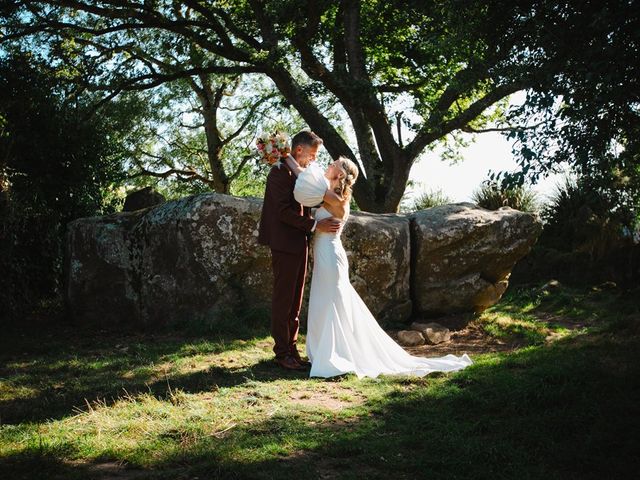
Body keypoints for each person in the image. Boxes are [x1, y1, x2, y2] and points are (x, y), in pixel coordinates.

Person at [286, 154, 474, 379]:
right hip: (325, 254)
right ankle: (327, 352)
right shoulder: (330, 193)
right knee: (325, 301)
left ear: (340, 174)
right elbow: (307, 182)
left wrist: (284, 155)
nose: (330, 163)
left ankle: (336, 354)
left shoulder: (335, 199)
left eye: (334, 163)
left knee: (331, 303)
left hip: (330, 257)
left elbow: (303, 178)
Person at [258, 130, 342, 371]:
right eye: (312, 155)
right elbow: (283, 212)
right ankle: (281, 352)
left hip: (299, 242)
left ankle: (292, 349)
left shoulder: (301, 173)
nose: (313, 160)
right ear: (298, 151)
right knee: (284, 299)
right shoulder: (278, 174)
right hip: (284, 243)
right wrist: (316, 224)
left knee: (296, 300)